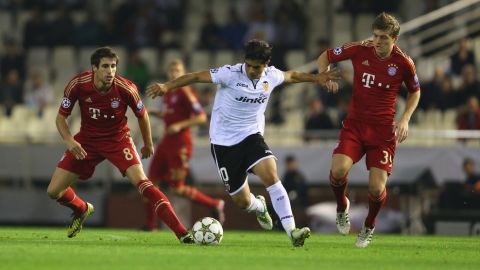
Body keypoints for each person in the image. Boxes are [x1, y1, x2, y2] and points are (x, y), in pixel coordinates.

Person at [147, 39, 340, 247]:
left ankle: (292, 231)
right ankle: (259, 206)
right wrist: (167, 86)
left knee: (271, 175)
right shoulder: (229, 74)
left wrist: (316, 78)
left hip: (251, 136)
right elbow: (194, 76)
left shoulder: (271, 76)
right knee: (242, 202)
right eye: (248, 64)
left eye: (256, 67)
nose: (251, 70)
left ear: (266, 65)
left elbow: (291, 75)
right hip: (223, 144)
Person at [46, 47, 194, 243]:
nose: (110, 71)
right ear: (94, 68)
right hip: (87, 141)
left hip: (118, 139)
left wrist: (148, 143)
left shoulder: (126, 88)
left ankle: (182, 232)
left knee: (144, 183)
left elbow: (142, 115)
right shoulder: (78, 84)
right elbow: (60, 118)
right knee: (54, 191)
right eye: (105, 66)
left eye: (113, 66)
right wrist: (70, 140)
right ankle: (82, 209)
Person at [317, 12, 421, 248]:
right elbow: (325, 56)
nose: (377, 41)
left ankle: (368, 225)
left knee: (376, 188)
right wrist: (323, 76)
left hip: (383, 133)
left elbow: (415, 90)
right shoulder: (359, 49)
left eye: (384, 37)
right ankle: (342, 206)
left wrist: (404, 119)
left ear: (395, 38)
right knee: (338, 170)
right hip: (355, 125)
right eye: (375, 36)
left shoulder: (404, 62)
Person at [144, 59, 225, 231]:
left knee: (177, 189)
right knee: (149, 183)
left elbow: (202, 117)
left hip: (180, 143)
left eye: (178, 71)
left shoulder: (186, 92)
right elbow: (168, 115)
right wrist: (151, 112)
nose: (174, 74)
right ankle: (151, 226)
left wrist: (180, 125)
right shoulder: (168, 93)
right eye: (172, 71)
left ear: (183, 72)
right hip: (166, 141)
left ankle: (215, 203)